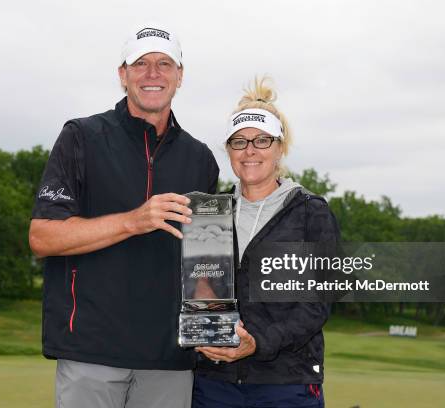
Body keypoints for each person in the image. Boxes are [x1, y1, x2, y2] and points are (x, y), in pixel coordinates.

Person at [28, 23, 219, 408]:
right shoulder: (81, 136)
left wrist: (213, 330)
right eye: (141, 64)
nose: (153, 74)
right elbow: (43, 237)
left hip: (169, 360)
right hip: (90, 353)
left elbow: (205, 266)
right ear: (123, 75)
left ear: (180, 76)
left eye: (165, 64)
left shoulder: (201, 160)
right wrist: (134, 220)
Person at [193, 77, 340, 408]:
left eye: (262, 140)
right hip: (215, 382)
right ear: (228, 149)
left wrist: (257, 342)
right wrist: (206, 330)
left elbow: (317, 304)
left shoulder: (309, 212)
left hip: (287, 382)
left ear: (279, 146)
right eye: (239, 141)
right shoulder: (208, 213)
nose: (250, 151)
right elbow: (201, 289)